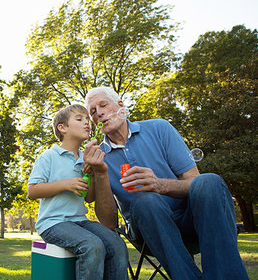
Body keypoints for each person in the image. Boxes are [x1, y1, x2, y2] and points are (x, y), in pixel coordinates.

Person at [84, 86, 249, 280]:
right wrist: (100, 173)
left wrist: (160, 185)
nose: (99, 113)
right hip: (149, 233)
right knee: (145, 201)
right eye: (93, 112)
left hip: (193, 222)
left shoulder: (159, 128)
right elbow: (109, 224)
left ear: (121, 105)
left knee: (209, 182)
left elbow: (194, 183)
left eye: (103, 105)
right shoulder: (98, 157)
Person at [28, 104, 128, 280]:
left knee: (117, 244)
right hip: (53, 223)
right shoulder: (49, 156)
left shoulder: (85, 158)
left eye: (88, 120)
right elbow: (33, 191)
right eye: (80, 119)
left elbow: (88, 198)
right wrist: (65, 184)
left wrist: (92, 175)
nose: (87, 124)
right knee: (92, 245)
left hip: (80, 220)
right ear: (62, 127)